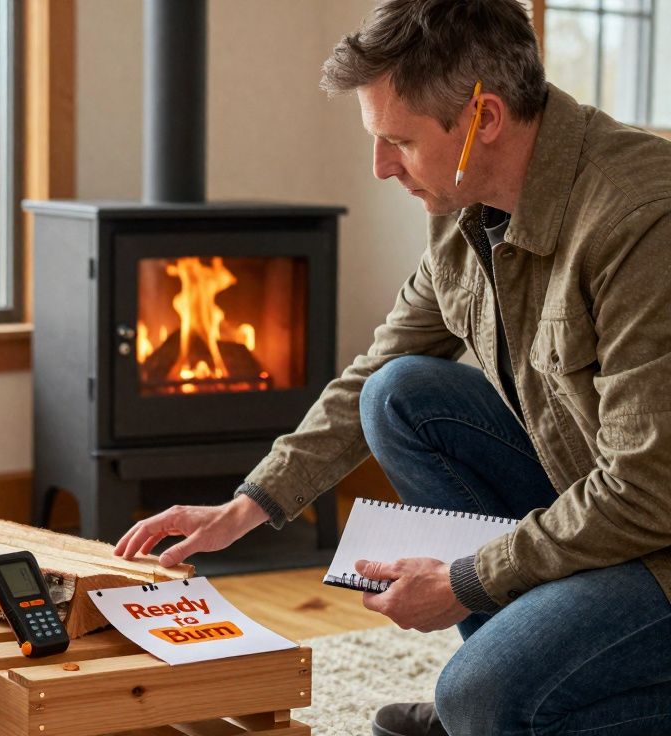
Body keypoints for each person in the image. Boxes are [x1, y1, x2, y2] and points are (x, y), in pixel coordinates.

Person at [113, 1, 671, 734]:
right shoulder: (462, 204)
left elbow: (646, 491)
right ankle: (512, 680)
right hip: (602, 506)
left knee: (478, 696)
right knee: (398, 395)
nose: (381, 169)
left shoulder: (640, 218)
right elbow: (375, 369)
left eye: (398, 142)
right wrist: (244, 508)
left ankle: (501, 700)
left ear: (485, 119)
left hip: (657, 533)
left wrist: (467, 580)